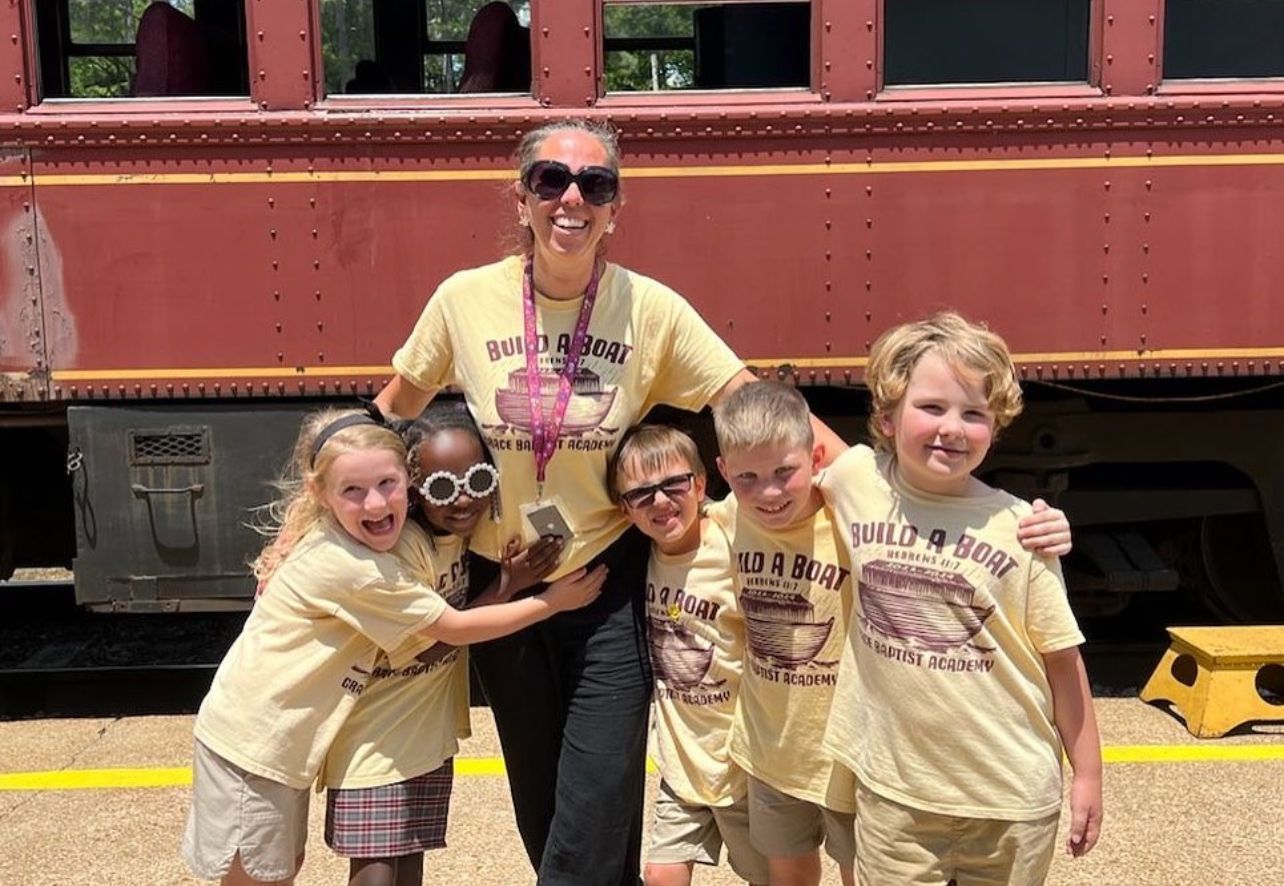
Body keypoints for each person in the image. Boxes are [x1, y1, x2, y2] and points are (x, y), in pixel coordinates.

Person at [375, 119, 842, 884]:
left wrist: (882, 493)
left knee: (599, 789)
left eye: (594, 185)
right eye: (550, 181)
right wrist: (314, 519)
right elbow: (394, 412)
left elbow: (752, 402)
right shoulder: (464, 300)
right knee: (544, 796)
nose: (571, 198)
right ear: (521, 198)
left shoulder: (649, 309)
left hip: (604, 583)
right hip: (505, 586)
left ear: (614, 208)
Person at [180, 408, 605, 886]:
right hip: (256, 741)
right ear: (322, 493)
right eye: (353, 491)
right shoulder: (356, 568)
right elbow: (453, 629)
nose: (375, 504)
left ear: (408, 481)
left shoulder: (350, 541)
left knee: (276, 869)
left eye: (387, 484)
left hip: (281, 740)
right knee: (260, 876)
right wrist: (551, 601)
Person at [710, 381, 1074, 886]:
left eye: (784, 473)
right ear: (725, 473)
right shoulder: (726, 518)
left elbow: (926, 513)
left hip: (852, 752)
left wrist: (1042, 523)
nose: (768, 491)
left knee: (859, 870)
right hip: (773, 747)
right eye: (747, 477)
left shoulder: (850, 507)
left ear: (814, 460)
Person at [817, 312, 1103, 885]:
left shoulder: (1022, 528)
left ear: (995, 429)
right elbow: (771, 418)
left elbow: (1062, 661)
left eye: (974, 414)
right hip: (896, 796)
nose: (952, 428)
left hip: (1009, 799)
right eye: (932, 407)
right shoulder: (856, 480)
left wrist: (1088, 775)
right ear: (887, 417)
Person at [319, 399, 563, 886]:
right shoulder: (402, 549)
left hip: (423, 734)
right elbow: (431, 643)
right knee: (376, 874)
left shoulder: (465, 538)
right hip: (375, 736)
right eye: (442, 487)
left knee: (408, 866)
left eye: (477, 482)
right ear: (413, 489)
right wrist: (509, 588)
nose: (463, 501)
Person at [606, 425, 768, 886]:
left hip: (741, 757)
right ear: (625, 509)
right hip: (682, 759)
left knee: (766, 872)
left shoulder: (730, 535)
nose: (660, 501)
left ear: (701, 484)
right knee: (660, 874)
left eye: (673, 485)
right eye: (641, 494)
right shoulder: (639, 557)